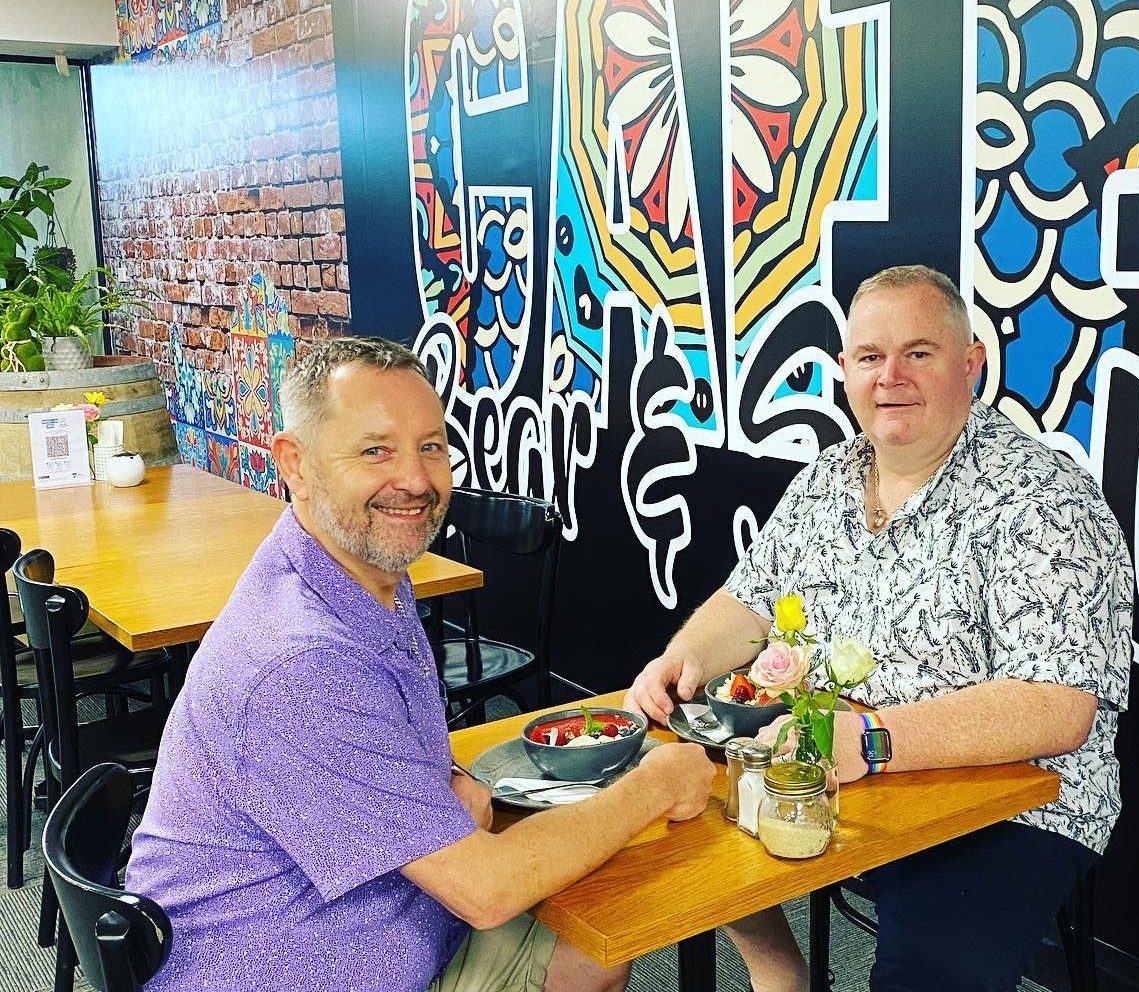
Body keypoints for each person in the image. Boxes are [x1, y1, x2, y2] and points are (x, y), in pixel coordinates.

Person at [125, 336, 715, 992]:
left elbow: (383, 747)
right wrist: (657, 785)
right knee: (609, 901)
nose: (415, 480)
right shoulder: (300, 664)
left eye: (431, 446)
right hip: (275, 964)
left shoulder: (355, 567)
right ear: (296, 463)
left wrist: (445, 785)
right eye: (375, 450)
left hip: (376, 917)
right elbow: (487, 891)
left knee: (602, 926)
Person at [625, 265, 1134, 992]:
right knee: (667, 818)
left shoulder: (1044, 498)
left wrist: (869, 741)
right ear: (845, 370)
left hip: (1013, 802)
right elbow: (751, 600)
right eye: (870, 357)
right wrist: (683, 660)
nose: (890, 377)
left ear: (970, 364)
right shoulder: (827, 477)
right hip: (840, 761)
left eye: (918, 353)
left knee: (926, 975)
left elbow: (1057, 708)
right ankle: (779, 970)